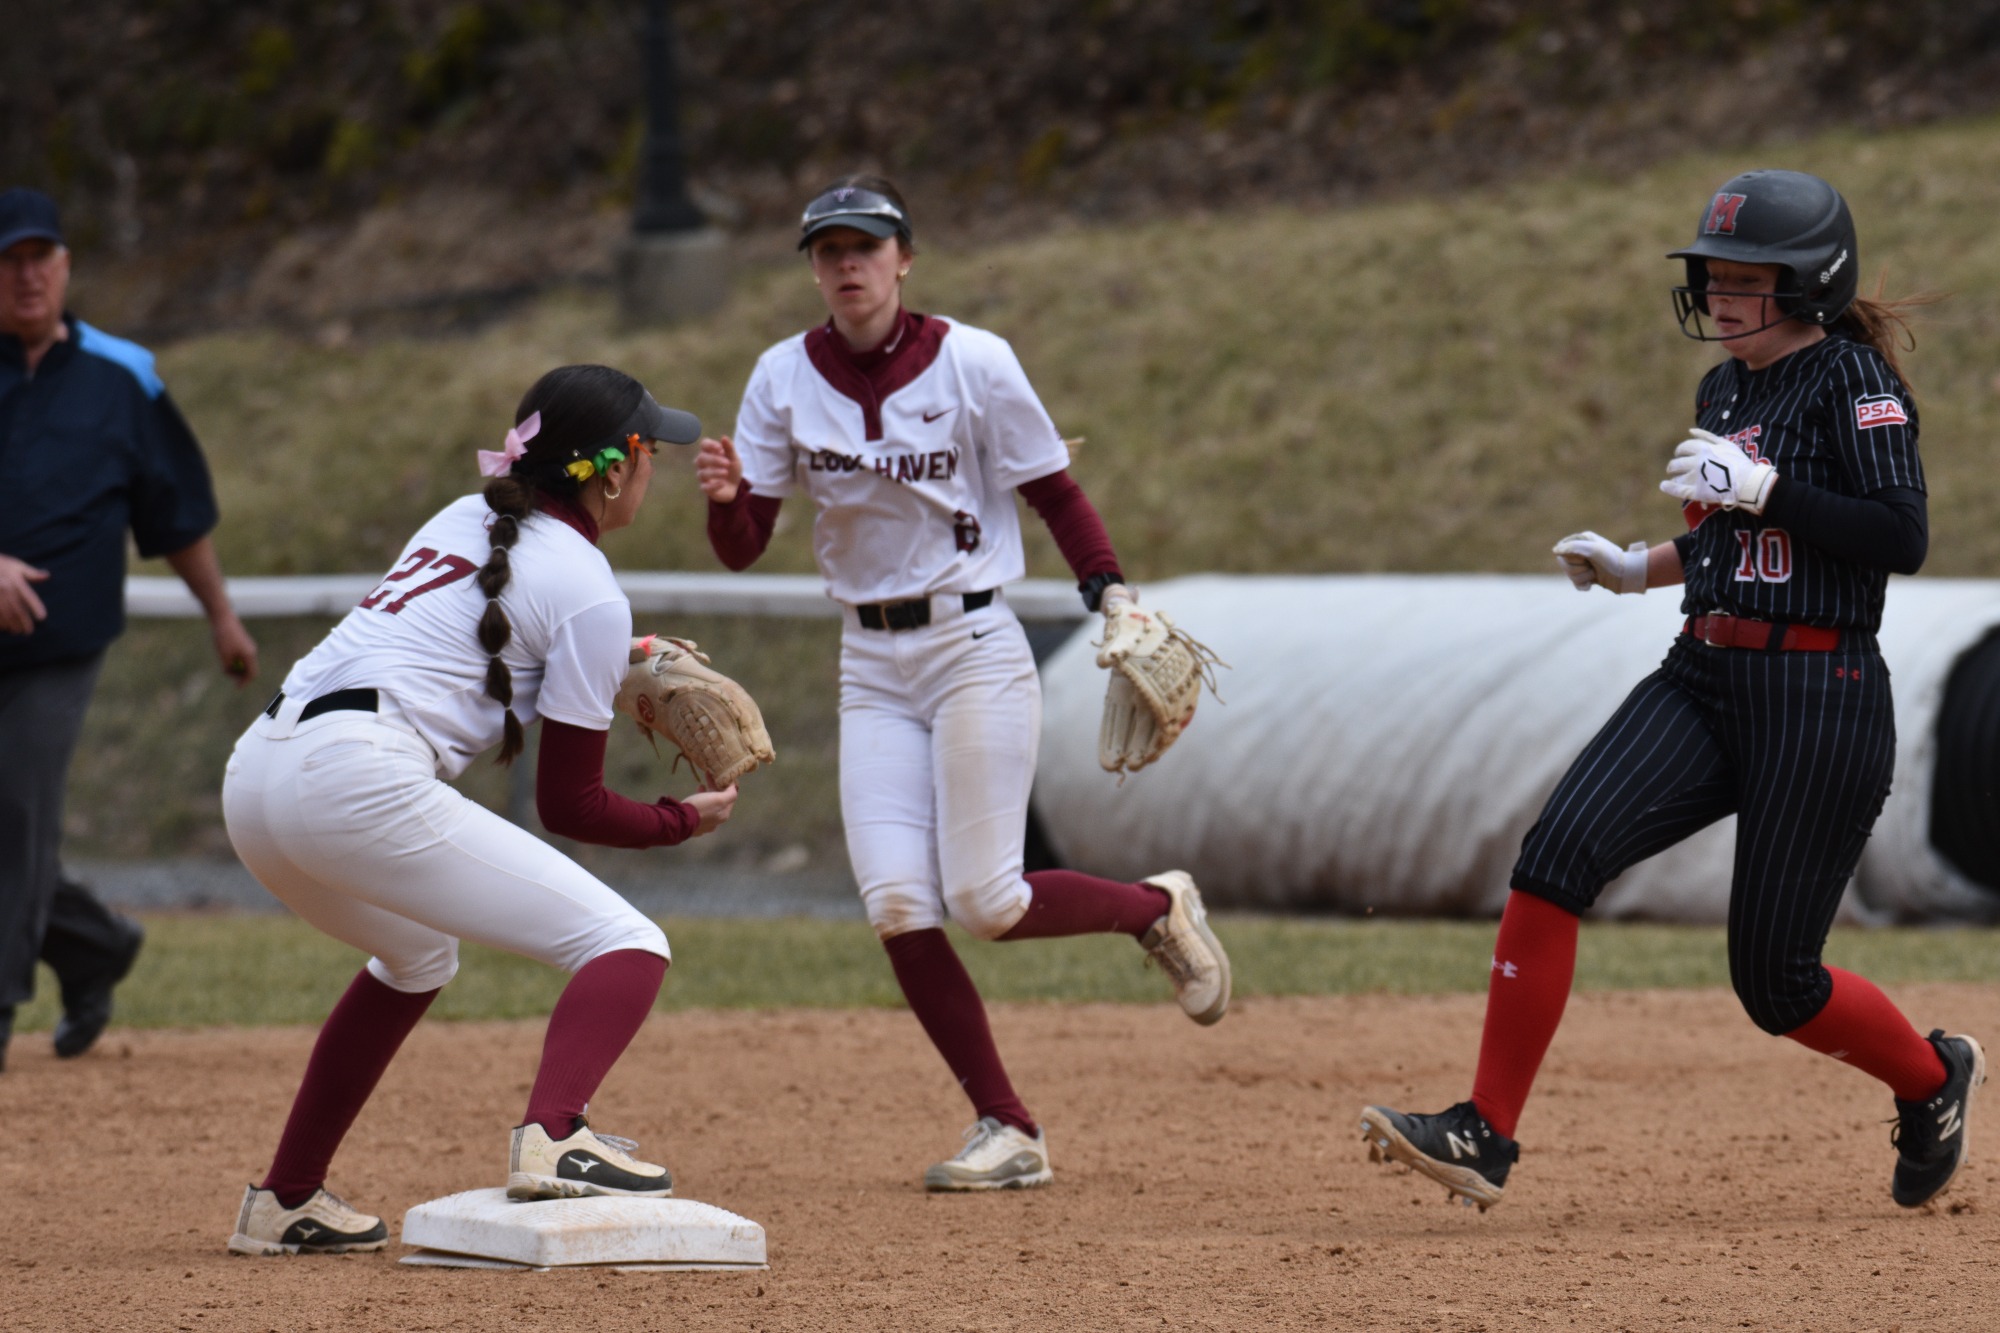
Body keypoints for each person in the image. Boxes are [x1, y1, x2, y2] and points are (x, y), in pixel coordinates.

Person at [1359, 170, 1983, 1212]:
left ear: (1810, 284)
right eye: (1714, 273)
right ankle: (1483, 1130)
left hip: (1817, 691)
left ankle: (1930, 1079)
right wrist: (1633, 566)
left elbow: (1898, 536)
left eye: (1748, 277)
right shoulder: (1724, 388)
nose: (1722, 294)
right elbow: (1722, 533)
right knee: (1553, 856)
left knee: (1775, 985)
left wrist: (1771, 489)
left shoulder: (1853, 383)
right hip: (1702, 672)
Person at [697, 174, 1230, 1192]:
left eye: (866, 246)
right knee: (898, 902)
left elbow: (1051, 488)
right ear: (812, 268)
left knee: (984, 900)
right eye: (827, 251)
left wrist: (1107, 590)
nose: (847, 265)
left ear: (904, 259)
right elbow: (742, 544)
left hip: (972, 644)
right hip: (868, 661)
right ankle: (1007, 1126)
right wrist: (726, 500)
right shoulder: (780, 377)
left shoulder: (974, 360)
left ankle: (1148, 909)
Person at [221, 365, 737, 1255]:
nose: (655, 466)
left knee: (417, 956)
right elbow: (569, 804)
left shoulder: (467, 517)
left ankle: (286, 1198)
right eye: (649, 449)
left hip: (259, 774)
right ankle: (557, 1135)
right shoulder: (587, 588)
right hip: (354, 780)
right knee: (628, 944)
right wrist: (682, 818)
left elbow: (484, 633)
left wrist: (623, 654)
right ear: (613, 472)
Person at [0, 187, 259, 1072]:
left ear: (66, 267)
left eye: (42, 257)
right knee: (13, 829)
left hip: (61, 640)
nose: (27, 275)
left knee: (14, 806)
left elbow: (175, 511)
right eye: (9, 260)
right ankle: (92, 944)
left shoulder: (123, 376)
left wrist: (221, 614)